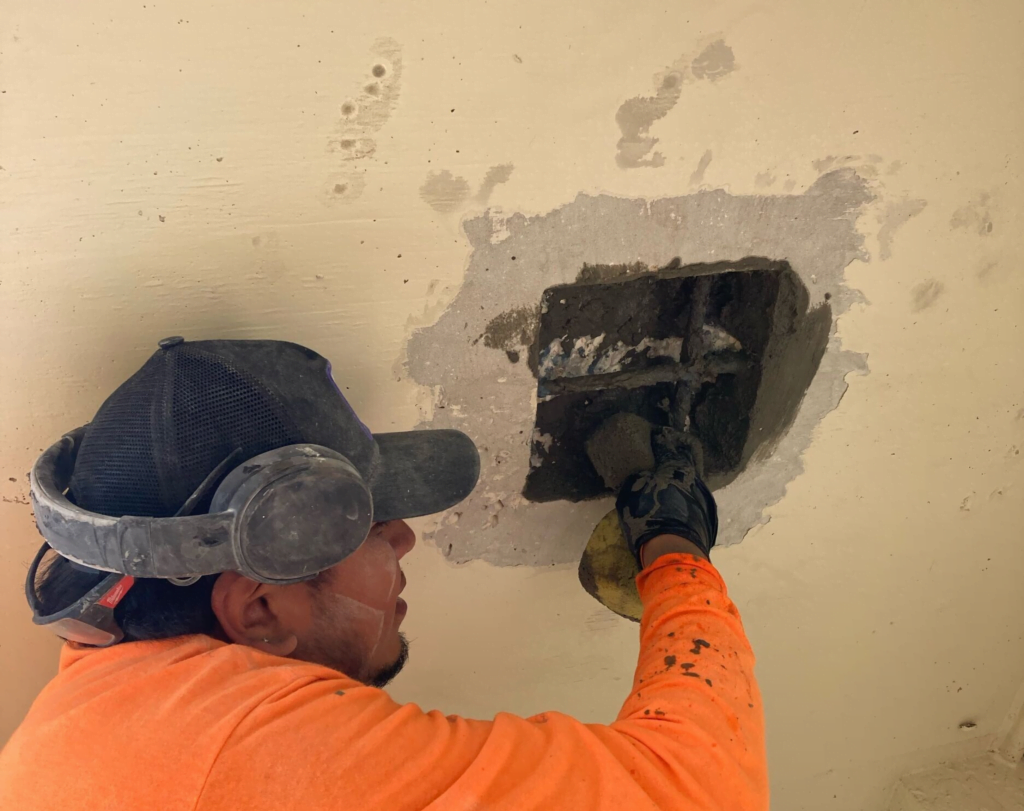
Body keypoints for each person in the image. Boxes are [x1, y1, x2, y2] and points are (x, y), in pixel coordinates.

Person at [0, 337, 767, 810]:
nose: (403, 537)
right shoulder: (275, 754)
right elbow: (701, 790)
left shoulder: (83, 711)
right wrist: (673, 548)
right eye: (361, 526)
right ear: (257, 608)